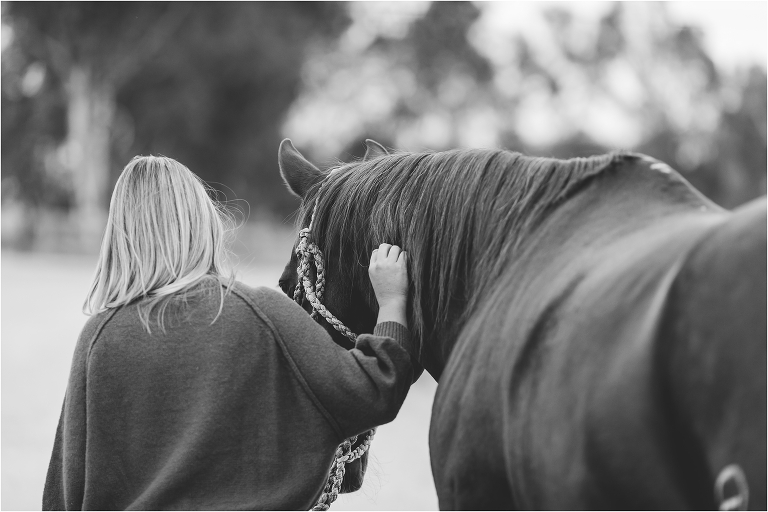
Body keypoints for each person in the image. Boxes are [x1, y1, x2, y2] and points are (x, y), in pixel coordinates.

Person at [43, 155, 414, 510]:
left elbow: (64, 493)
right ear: (203, 222)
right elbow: (376, 388)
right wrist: (393, 300)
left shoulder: (98, 338)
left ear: (119, 237)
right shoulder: (261, 314)